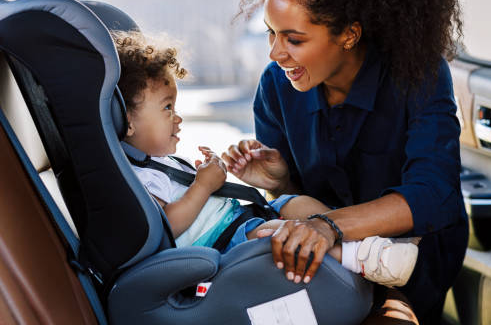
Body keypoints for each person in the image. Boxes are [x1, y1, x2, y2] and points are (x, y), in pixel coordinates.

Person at [221, 0, 468, 324]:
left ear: (349, 35)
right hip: (325, 263)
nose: (275, 54)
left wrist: (328, 226)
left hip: (408, 265)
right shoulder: (276, 87)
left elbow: (433, 194)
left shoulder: (418, 74)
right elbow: (297, 206)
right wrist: (281, 182)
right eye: (270, 33)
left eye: (293, 39)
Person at [114, 30, 419, 287]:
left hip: (238, 220)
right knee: (279, 234)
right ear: (127, 121)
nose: (177, 119)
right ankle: (364, 260)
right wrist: (203, 187)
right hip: (220, 245)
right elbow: (166, 226)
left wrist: (206, 176)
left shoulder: (159, 163)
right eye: (167, 108)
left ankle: (368, 242)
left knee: (294, 203)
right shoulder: (135, 177)